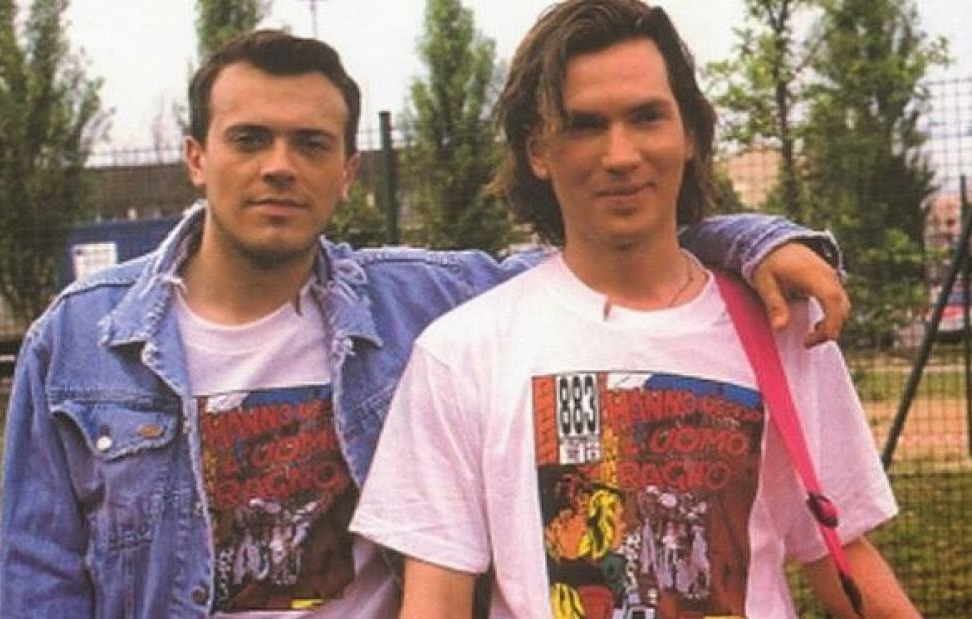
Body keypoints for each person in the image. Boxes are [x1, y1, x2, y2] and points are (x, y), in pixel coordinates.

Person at [0, 28, 846, 619]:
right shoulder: (77, 343)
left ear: (348, 171)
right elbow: (40, 580)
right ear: (196, 157)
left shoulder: (415, 302)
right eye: (249, 139)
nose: (279, 167)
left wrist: (756, 239)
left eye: (311, 144)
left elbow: (614, 246)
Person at [349, 2, 918, 618]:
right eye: (585, 125)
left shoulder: (779, 324)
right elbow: (437, 601)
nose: (620, 155)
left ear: (689, 134)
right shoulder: (461, 353)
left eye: (646, 117)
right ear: (538, 150)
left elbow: (842, 553)